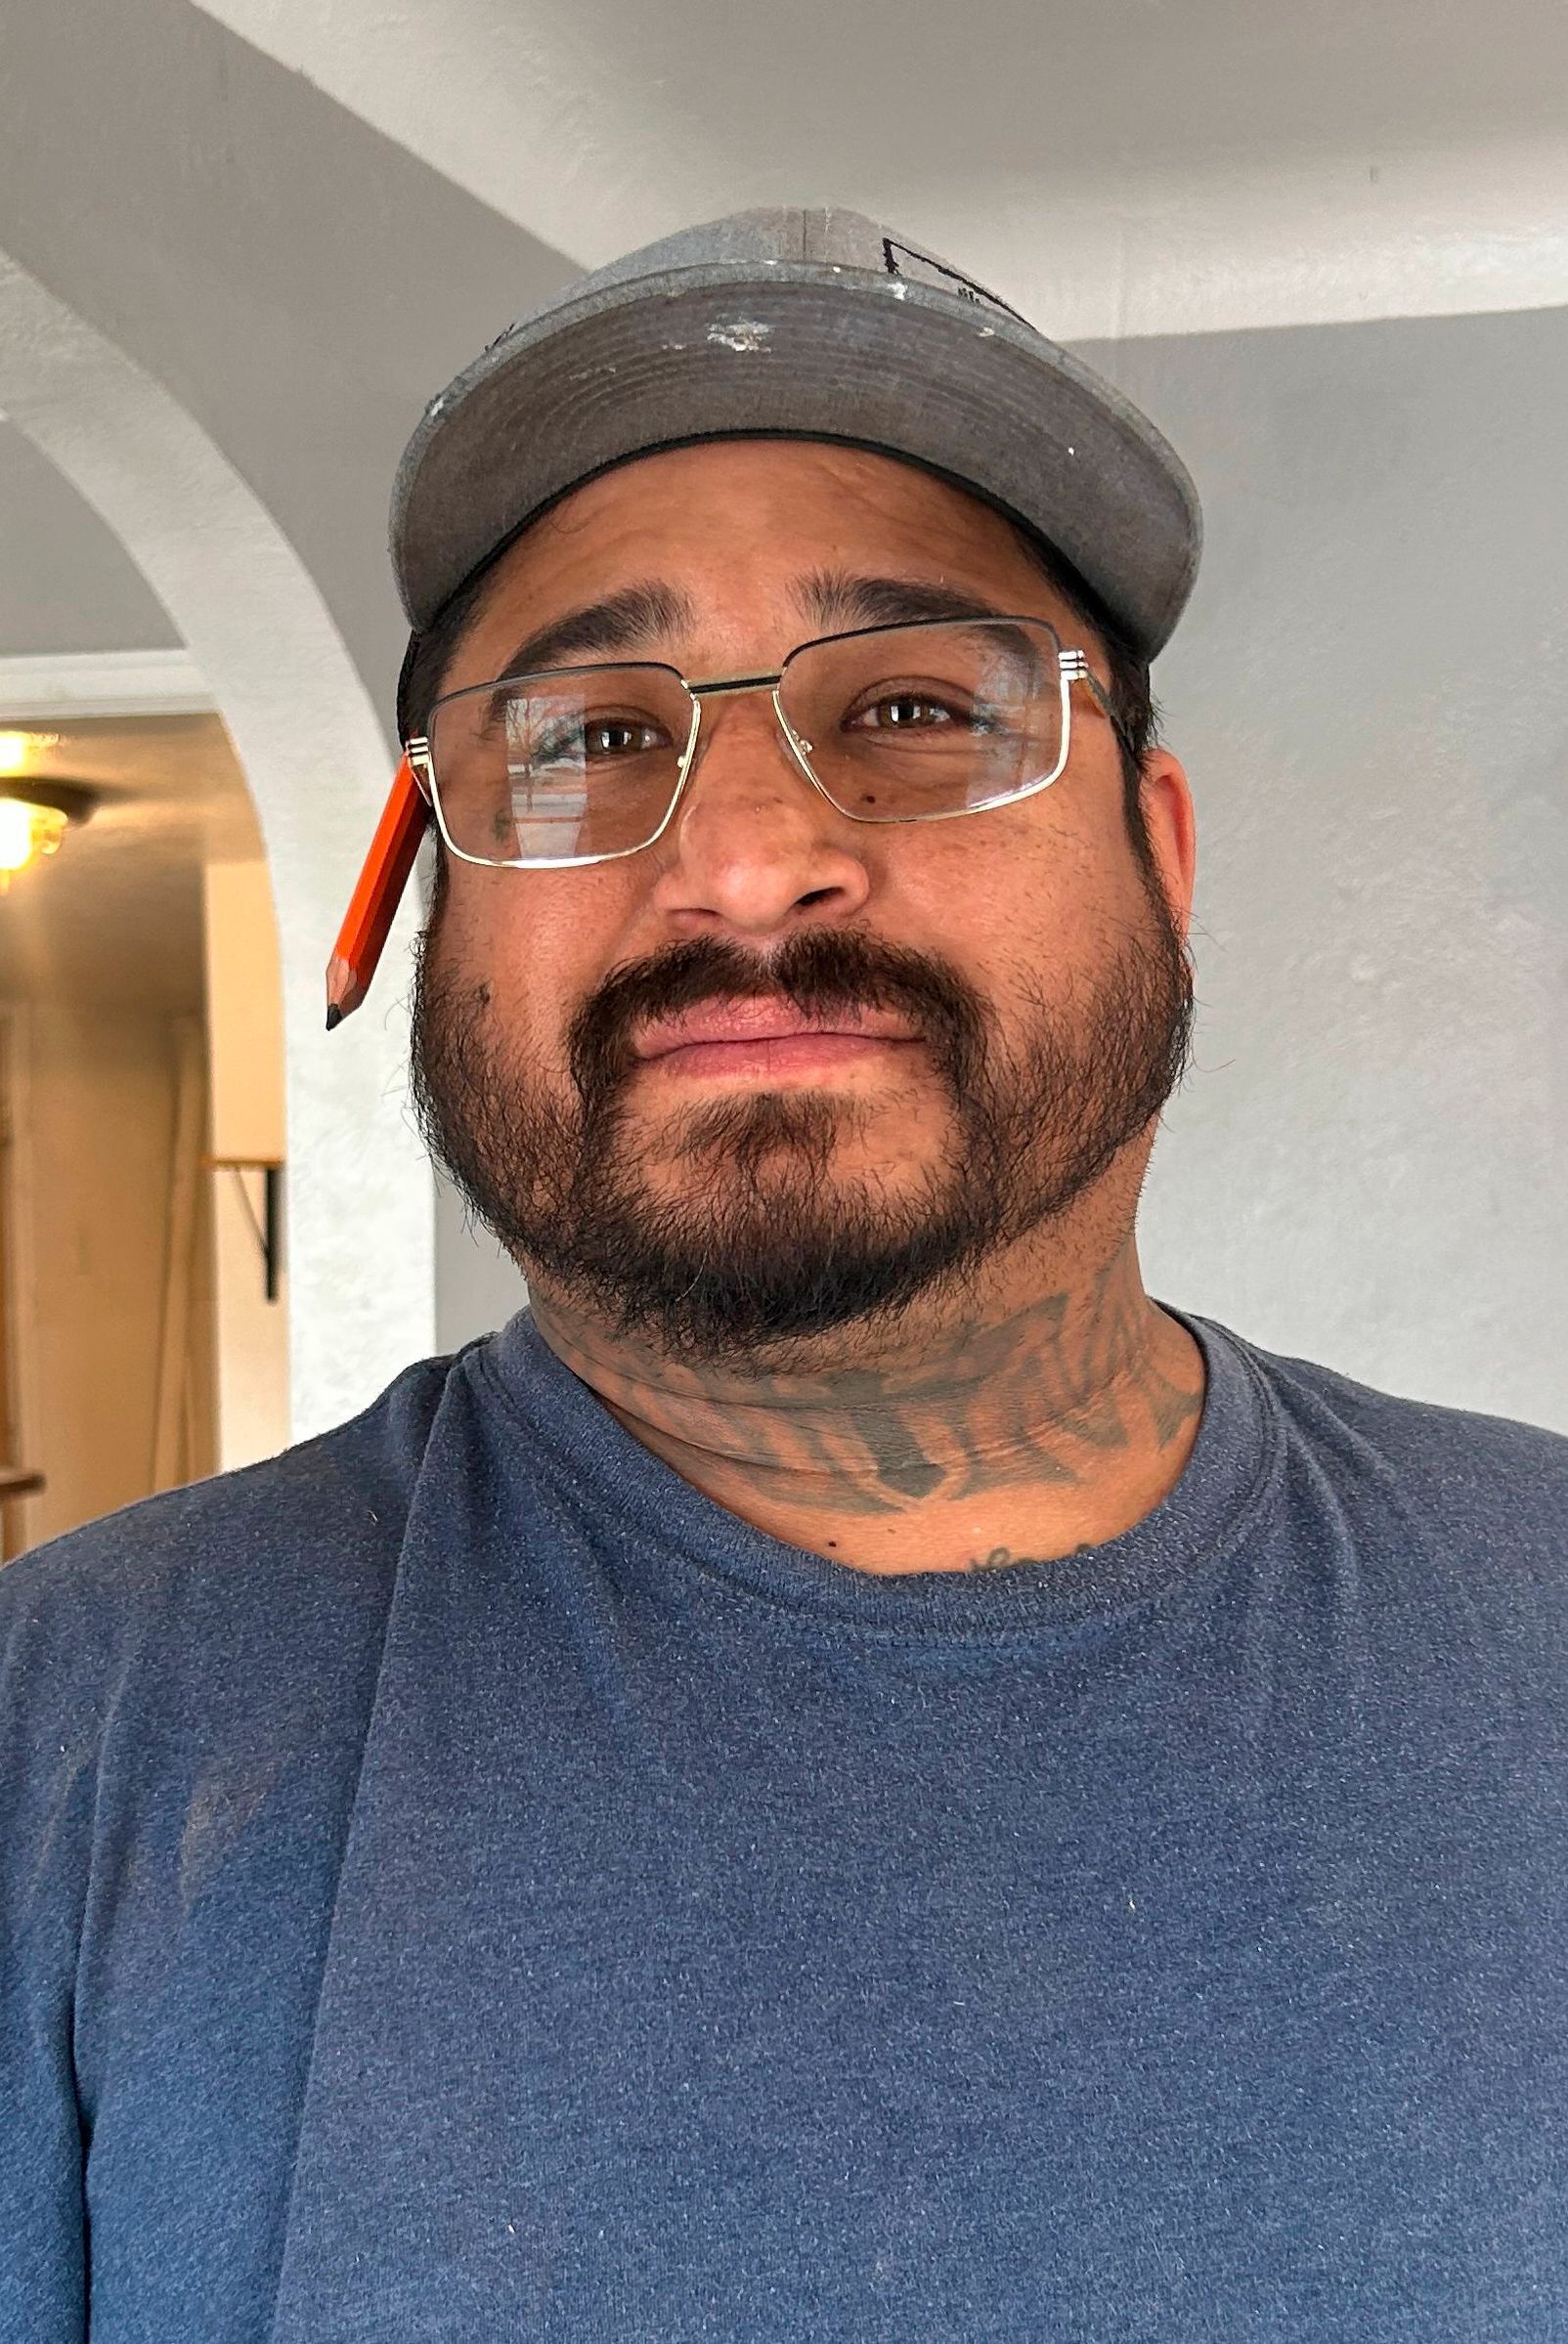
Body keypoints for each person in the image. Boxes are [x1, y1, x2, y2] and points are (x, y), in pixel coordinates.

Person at [3, 207, 1566, 2343]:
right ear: (432, 911)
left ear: (1162, 855)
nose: (743, 861)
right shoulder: (72, 1733)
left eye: (916, 704)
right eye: (586, 739)